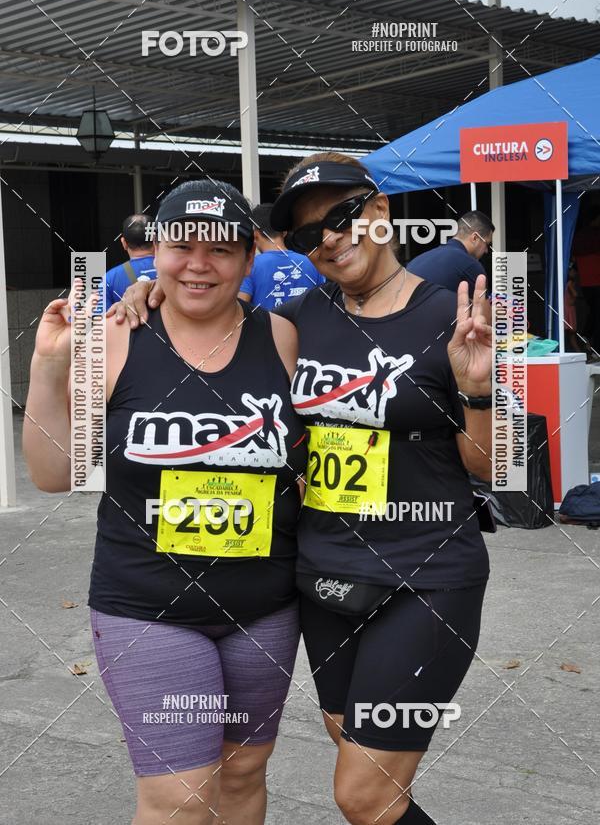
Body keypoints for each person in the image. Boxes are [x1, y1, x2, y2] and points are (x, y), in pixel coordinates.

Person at [113, 154, 493, 825]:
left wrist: (478, 388)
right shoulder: (290, 321)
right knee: (352, 745)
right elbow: (207, 310)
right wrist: (147, 292)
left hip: (426, 576)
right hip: (324, 576)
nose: (331, 238)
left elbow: (489, 467)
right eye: (310, 233)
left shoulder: (453, 318)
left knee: (364, 792)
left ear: (380, 210)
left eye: (343, 216)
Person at [23, 179, 308, 825]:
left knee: (243, 772)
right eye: (182, 246)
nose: (199, 264)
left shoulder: (284, 338)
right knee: (179, 797)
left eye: (221, 249)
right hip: (148, 609)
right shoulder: (114, 337)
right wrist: (48, 365)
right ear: (156, 252)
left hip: (264, 609)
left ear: (248, 257)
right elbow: (54, 473)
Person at [238, 203, 325, 309]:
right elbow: (323, 303)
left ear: (255, 234)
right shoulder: (311, 263)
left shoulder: (249, 266)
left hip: (266, 320)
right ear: (284, 232)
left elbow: (240, 308)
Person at [407, 210, 494, 295]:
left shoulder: (415, 262)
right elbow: (484, 303)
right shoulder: (470, 265)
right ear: (475, 238)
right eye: (487, 244)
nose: (486, 250)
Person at [102, 213, 157, 311]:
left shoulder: (108, 279)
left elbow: (99, 317)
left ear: (123, 243)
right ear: (156, 240)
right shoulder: (175, 271)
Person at [572, 206, 600, 355]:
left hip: (586, 283)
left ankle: (587, 337)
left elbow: (575, 261)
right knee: (597, 314)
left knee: (594, 313)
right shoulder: (594, 236)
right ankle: (593, 345)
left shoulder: (579, 237)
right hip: (596, 281)